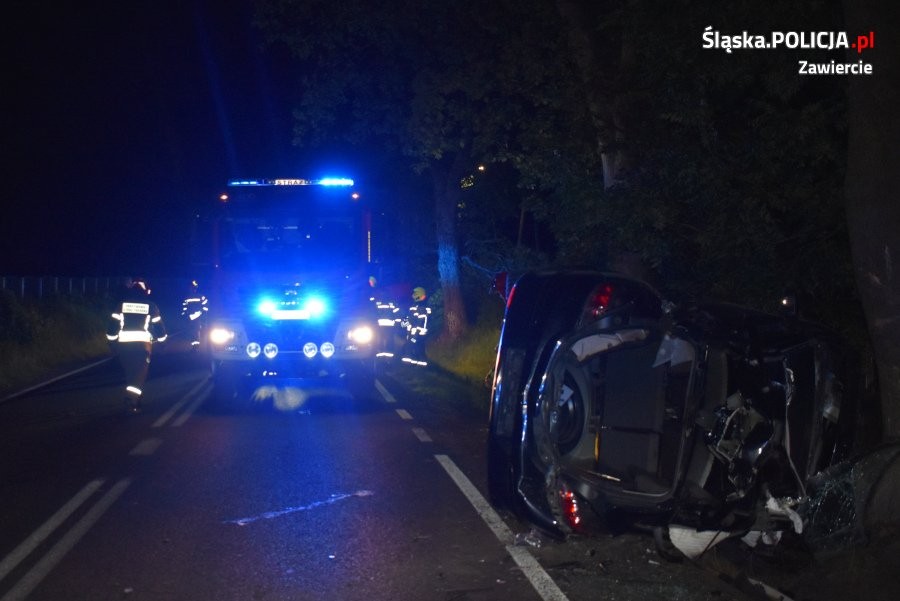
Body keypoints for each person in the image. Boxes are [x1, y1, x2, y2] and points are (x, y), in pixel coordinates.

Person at [107, 278, 167, 413]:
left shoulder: (121, 305)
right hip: (142, 346)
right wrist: (163, 342)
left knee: (130, 373)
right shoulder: (151, 306)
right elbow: (159, 328)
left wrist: (111, 343)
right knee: (140, 374)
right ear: (145, 292)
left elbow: (112, 327)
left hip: (124, 346)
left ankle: (134, 398)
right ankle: (132, 400)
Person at [401, 286, 431, 366]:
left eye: (415, 293)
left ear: (420, 295)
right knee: (412, 348)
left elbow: (422, 322)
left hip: (418, 334)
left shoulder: (423, 307)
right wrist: (404, 324)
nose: (413, 295)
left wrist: (415, 335)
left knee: (418, 348)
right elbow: (409, 318)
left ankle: (421, 365)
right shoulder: (414, 306)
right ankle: (412, 365)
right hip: (412, 333)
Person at [181, 279, 208, 349]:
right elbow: (184, 307)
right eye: (190, 288)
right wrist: (184, 315)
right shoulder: (187, 298)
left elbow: (205, 307)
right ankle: (194, 345)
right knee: (192, 331)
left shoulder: (201, 297)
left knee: (195, 330)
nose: (190, 289)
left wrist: (202, 313)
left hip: (198, 317)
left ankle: (195, 346)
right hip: (190, 317)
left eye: (192, 288)